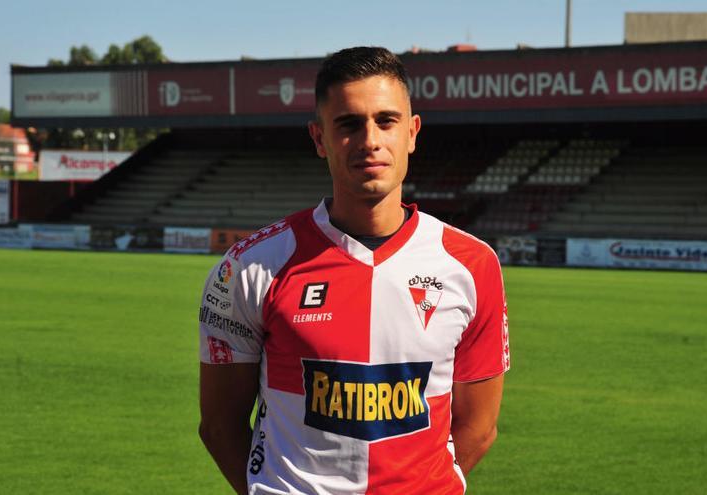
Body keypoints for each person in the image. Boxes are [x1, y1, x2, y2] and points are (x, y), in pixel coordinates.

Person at [198, 46, 510, 495]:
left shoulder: (472, 265)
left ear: (412, 132)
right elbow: (220, 427)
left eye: (386, 121)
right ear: (319, 138)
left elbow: (478, 429)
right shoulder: (251, 267)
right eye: (348, 124)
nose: (370, 140)